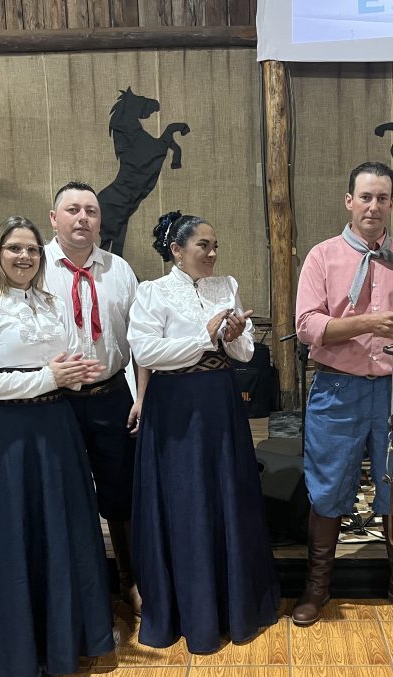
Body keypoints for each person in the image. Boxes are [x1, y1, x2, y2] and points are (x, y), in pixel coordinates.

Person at [0, 216, 114, 677]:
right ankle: (13, 654)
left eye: (32, 250)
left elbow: (63, 362)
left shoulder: (51, 303)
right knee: (10, 537)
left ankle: (64, 641)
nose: (24, 257)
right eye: (14, 248)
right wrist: (49, 377)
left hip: (55, 426)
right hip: (6, 437)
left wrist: (77, 373)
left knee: (60, 532)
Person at [293, 160, 393, 628]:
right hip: (338, 388)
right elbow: (306, 326)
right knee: (329, 485)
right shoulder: (322, 256)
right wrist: (367, 324)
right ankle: (318, 585)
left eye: (382, 198)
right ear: (349, 201)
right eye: (365, 197)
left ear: (391, 203)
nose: (373, 206)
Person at [127, 211, 280, 654]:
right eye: (203, 246)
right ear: (177, 250)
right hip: (174, 404)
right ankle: (190, 608)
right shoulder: (152, 292)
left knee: (226, 493)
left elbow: (244, 353)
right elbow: (146, 350)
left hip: (219, 400)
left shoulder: (226, 285)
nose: (212, 254)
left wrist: (234, 335)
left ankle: (234, 603)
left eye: (215, 246)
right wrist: (204, 335)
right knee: (184, 497)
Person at [43, 181, 146, 614]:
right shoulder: (35, 268)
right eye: (73, 210)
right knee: (63, 493)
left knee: (121, 491)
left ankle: (129, 578)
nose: (82, 218)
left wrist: (141, 396)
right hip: (54, 401)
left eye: (91, 210)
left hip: (111, 395)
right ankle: (77, 586)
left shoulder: (119, 270)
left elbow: (140, 339)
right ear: (54, 219)